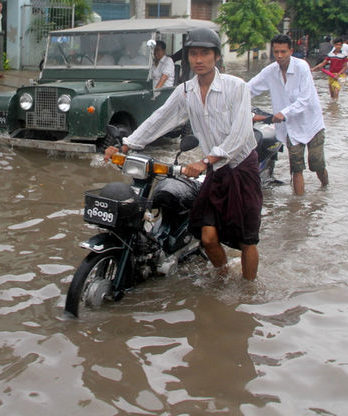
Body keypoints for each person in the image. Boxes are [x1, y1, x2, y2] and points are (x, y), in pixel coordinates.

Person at [104, 28, 261, 280]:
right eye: (193, 54)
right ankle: (223, 277)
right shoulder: (185, 91)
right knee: (207, 236)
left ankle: (249, 290)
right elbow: (160, 119)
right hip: (215, 170)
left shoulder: (237, 87)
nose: (198, 59)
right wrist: (126, 144)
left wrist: (206, 160)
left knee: (246, 239)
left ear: (217, 57)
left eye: (205, 54)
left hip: (241, 168)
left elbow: (240, 133)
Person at [248, 34, 329, 195]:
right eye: (276, 52)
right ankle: (298, 206)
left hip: (311, 124)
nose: (279, 56)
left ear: (291, 51)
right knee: (296, 168)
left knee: (317, 164)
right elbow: (248, 88)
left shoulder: (302, 67)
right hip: (291, 128)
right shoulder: (270, 71)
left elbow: (304, 99)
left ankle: (325, 189)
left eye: (283, 52)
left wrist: (283, 113)